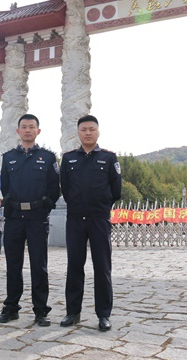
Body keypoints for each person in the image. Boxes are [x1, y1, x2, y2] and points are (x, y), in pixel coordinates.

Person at [0, 114, 60, 327]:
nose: (28, 130)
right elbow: (4, 186)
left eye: (32, 127)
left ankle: (41, 310)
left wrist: (43, 207)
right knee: (13, 265)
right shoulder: (8, 157)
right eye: (24, 127)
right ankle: (11, 307)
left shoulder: (48, 158)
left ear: (38, 131)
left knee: (38, 265)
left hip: (37, 218)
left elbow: (55, 189)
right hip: (14, 218)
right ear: (18, 131)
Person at [59, 115, 122, 332]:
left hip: (99, 220)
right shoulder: (68, 159)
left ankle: (103, 314)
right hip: (76, 220)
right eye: (84, 129)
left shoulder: (109, 157)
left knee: (102, 267)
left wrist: (101, 206)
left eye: (91, 129)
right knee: (74, 266)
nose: (88, 133)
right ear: (78, 133)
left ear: (98, 132)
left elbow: (116, 191)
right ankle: (72, 312)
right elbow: (65, 189)